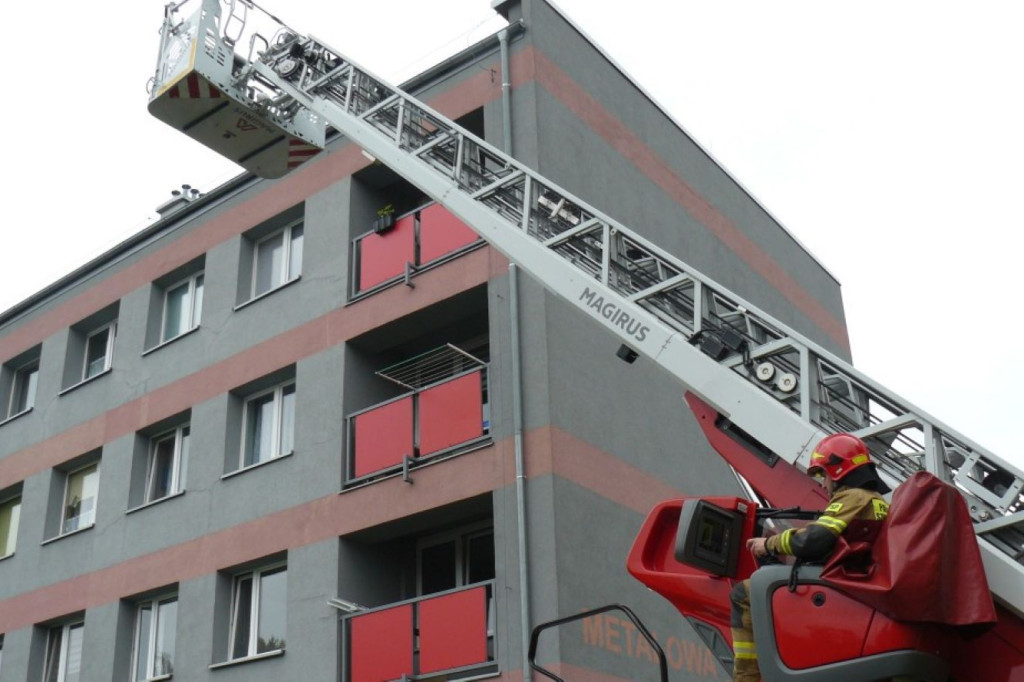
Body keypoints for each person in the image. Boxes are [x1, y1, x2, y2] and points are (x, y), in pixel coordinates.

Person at [729, 433, 891, 682]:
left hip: (837, 582)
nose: (823, 484)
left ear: (838, 471)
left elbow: (814, 540)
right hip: (855, 581)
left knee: (743, 593)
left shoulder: (853, 497)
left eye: (824, 475)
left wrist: (769, 544)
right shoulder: (879, 502)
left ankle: (747, 678)